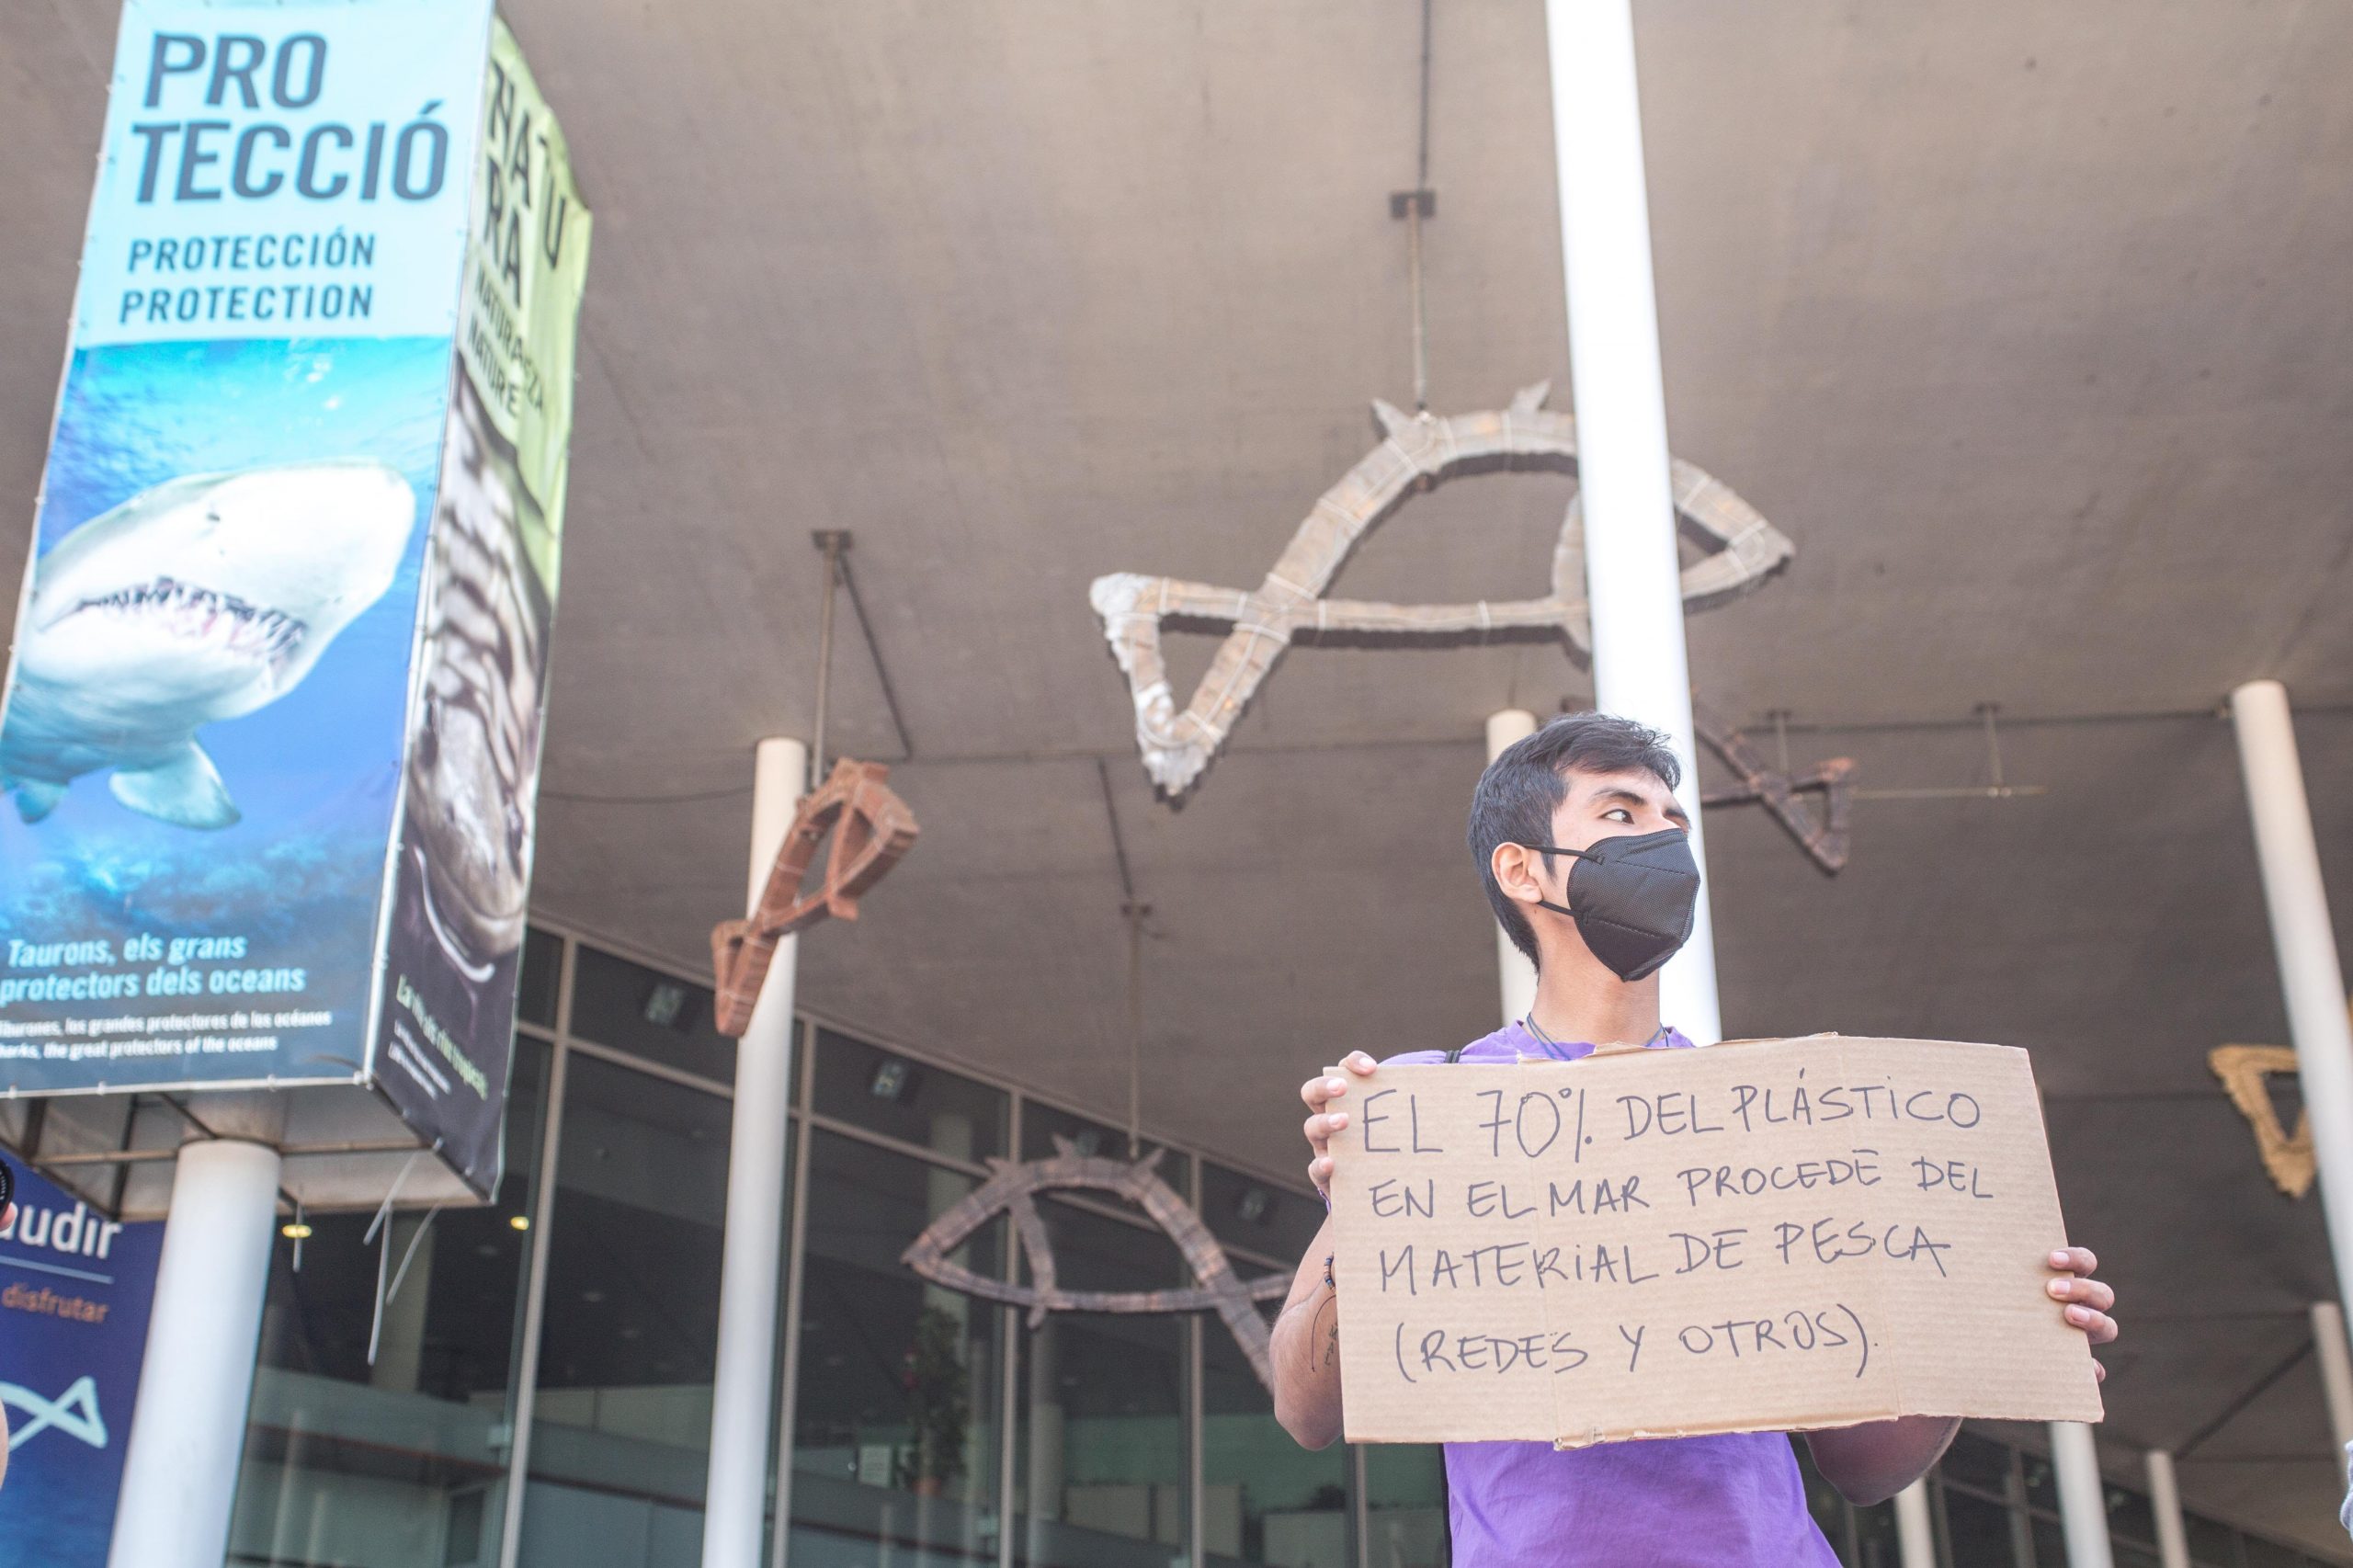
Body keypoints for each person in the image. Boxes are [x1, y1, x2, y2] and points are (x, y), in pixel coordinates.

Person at [1270, 712, 2119, 1565]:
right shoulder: (1433, 1104)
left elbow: (1860, 1466)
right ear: (1522, 871)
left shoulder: (1777, 1121)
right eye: (1621, 815)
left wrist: (1989, 1336)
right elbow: (1305, 1411)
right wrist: (1378, 1212)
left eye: (1674, 822)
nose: (1665, 842)